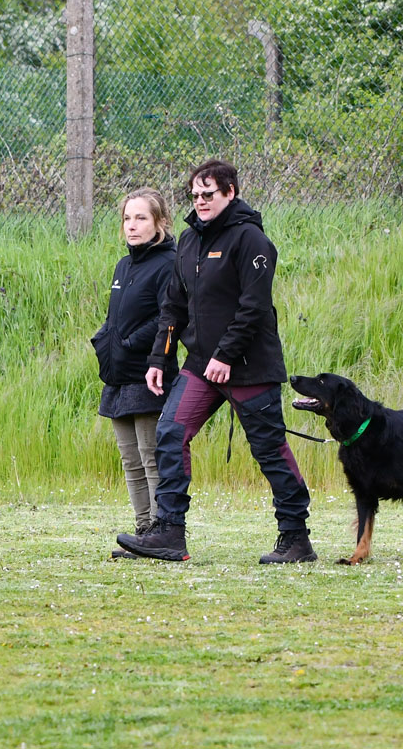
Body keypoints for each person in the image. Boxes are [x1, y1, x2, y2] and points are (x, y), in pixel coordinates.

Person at [115, 159, 314, 564]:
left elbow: (254, 306)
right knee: (170, 432)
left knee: (269, 449)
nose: (201, 201)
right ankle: (169, 532)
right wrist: (159, 358)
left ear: (230, 193)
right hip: (200, 365)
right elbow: (174, 306)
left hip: (249, 365)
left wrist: (227, 354)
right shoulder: (188, 242)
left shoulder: (251, 240)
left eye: (209, 194)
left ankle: (295, 537)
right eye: (195, 195)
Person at [92, 188, 178, 559]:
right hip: (118, 376)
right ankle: (142, 530)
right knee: (129, 458)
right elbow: (117, 317)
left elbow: (168, 318)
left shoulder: (169, 263)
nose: (132, 226)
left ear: (159, 222)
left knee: (150, 455)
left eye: (141, 218)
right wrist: (105, 340)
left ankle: (161, 532)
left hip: (149, 374)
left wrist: (128, 341)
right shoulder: (123, 266)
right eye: (128, 218)